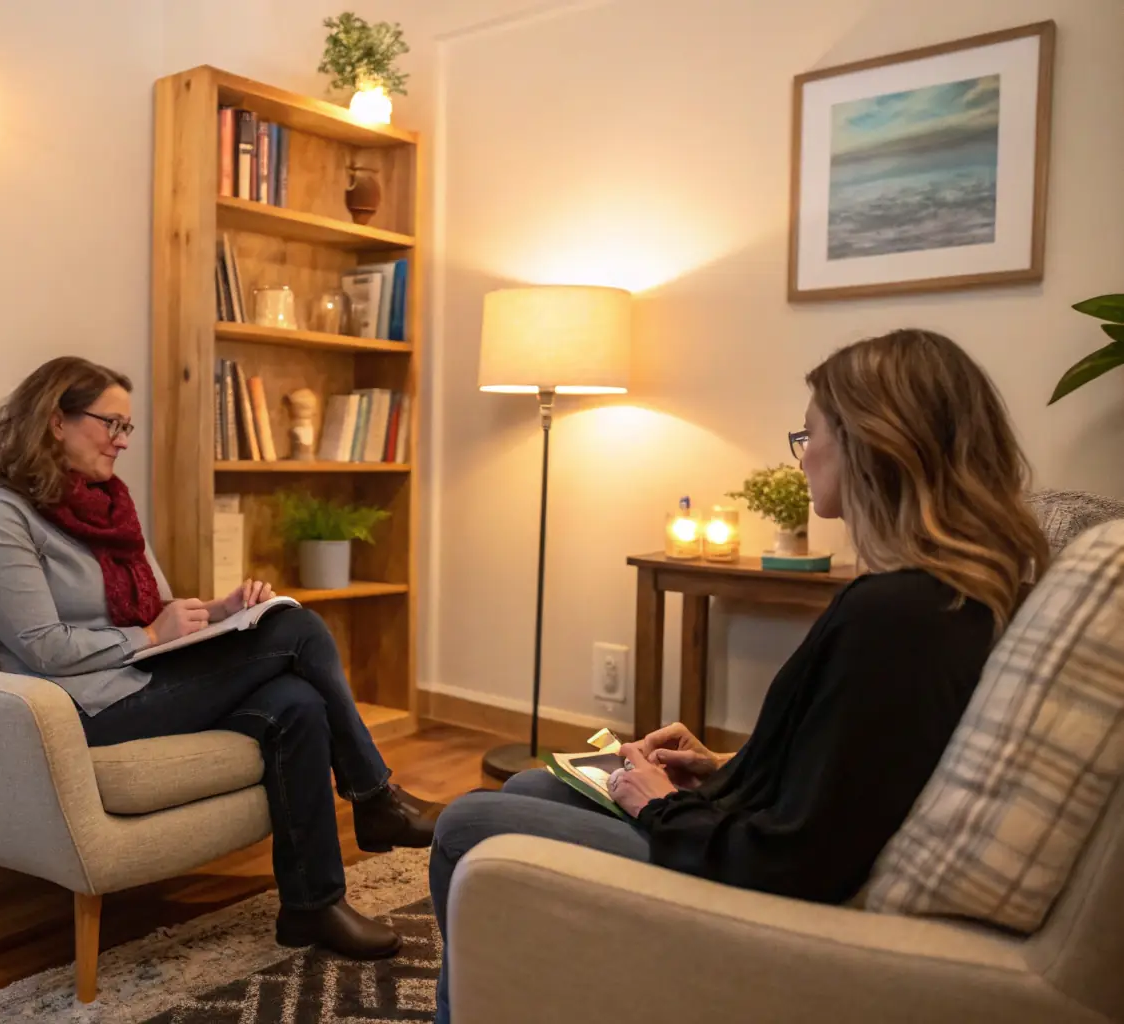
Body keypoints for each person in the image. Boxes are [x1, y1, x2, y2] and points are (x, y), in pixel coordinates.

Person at [427, 329, 1050, 1022]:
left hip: (760, 898)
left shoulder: (897, 617)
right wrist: (723, 766)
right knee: (532, 783)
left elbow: (795, 861)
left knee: (469, 823)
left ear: (870, 444)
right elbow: (859, 770)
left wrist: (660, 804)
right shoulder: (944, 597)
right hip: (766, 851)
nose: (803, 455)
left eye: (808, 433)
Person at [0, 356, 437, 960]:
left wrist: (219, 611)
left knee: (297, 700)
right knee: (298, 630)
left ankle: (314, 907)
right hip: (82, 708)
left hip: (139, 677)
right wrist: (151, 638)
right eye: (113, 424)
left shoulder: (108, 506)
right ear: (56, 420)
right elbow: (46, 649)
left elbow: (155, 609)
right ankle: (373, 798)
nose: (122, 442)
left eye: (127, 428)